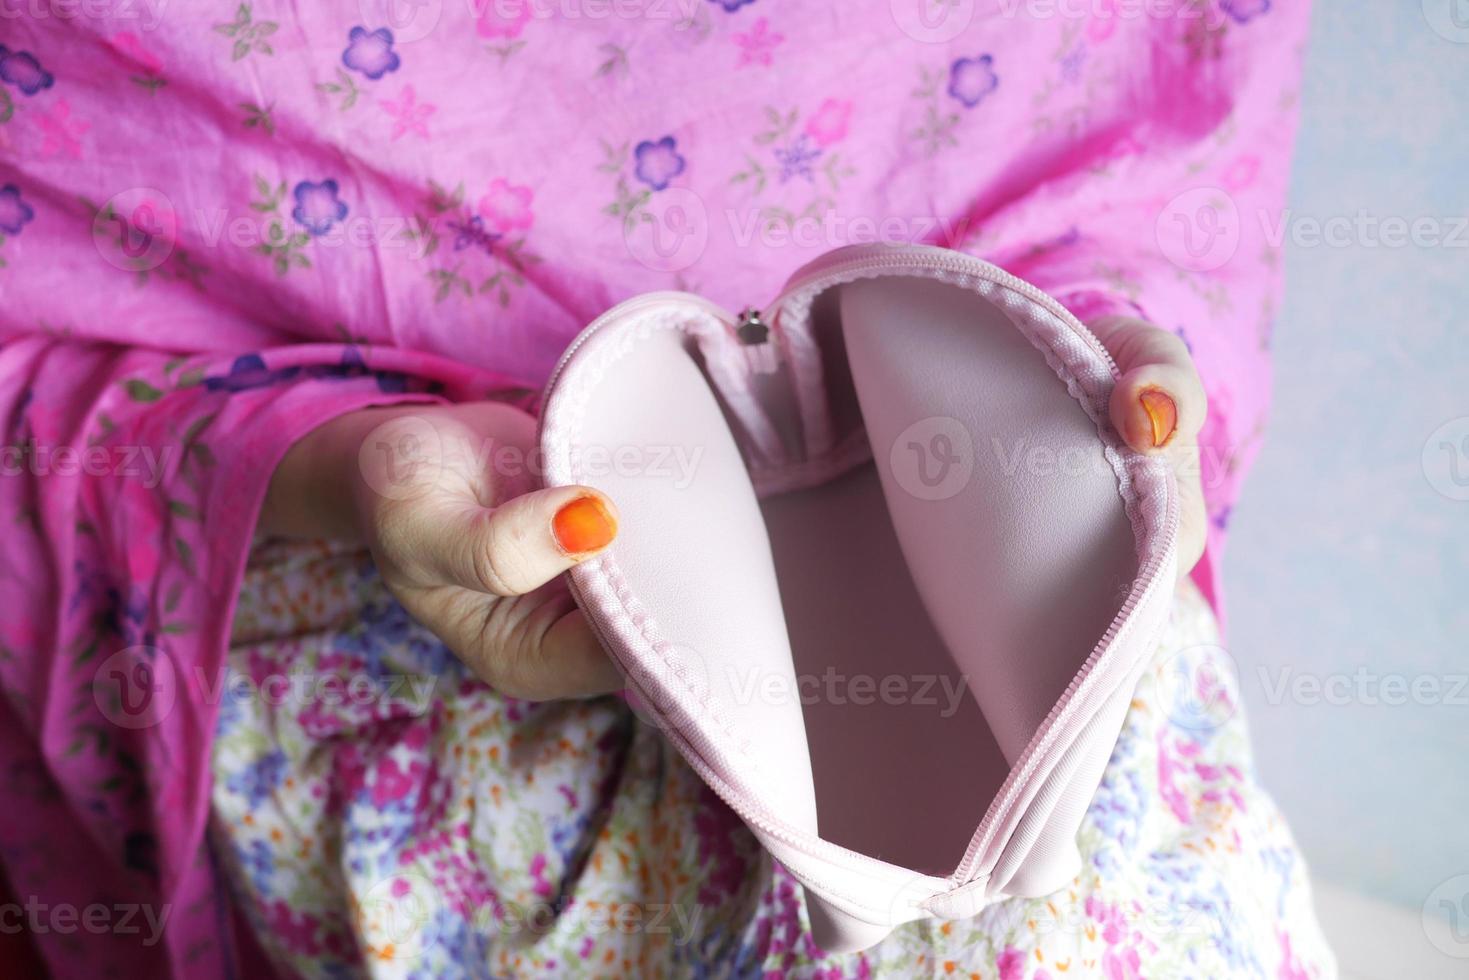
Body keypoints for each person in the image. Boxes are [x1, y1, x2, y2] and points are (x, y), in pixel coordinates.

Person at [0, 2, 1333, 975]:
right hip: (356, 632)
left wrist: (1084, 378)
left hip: (1055, 690)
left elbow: (1162, 154)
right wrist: (321, 468)